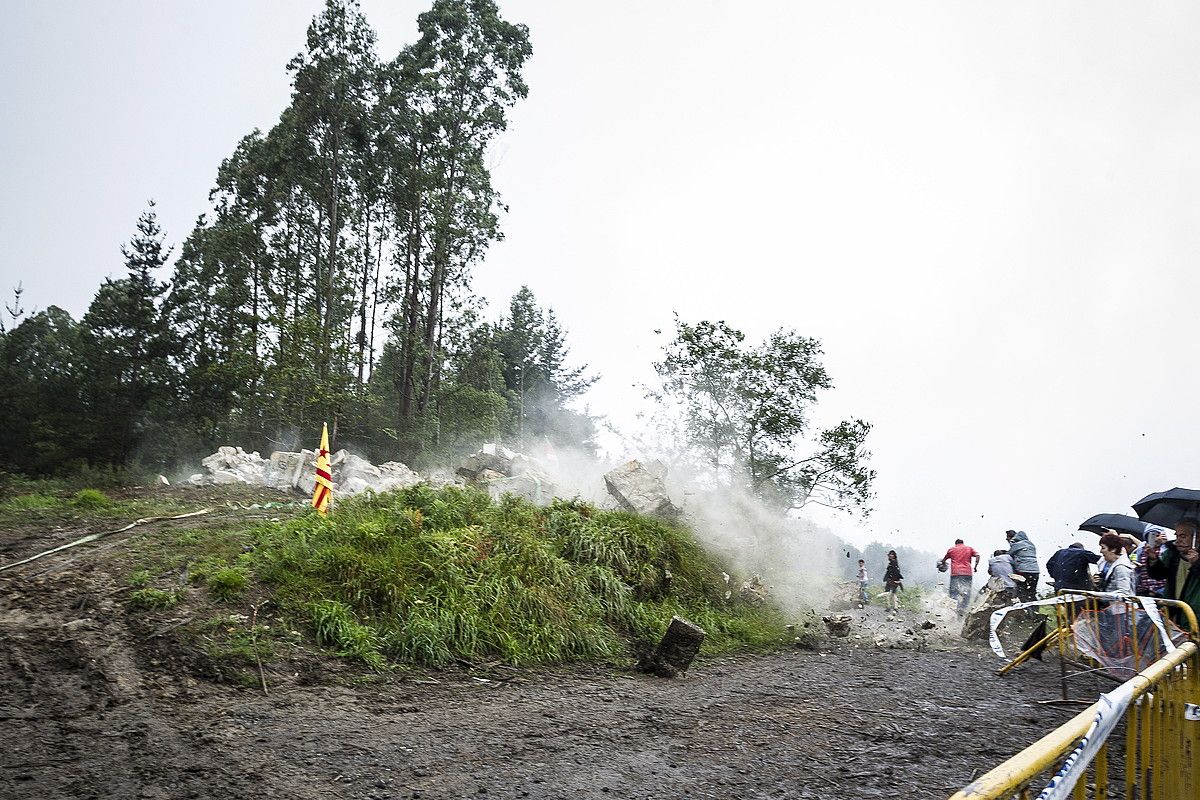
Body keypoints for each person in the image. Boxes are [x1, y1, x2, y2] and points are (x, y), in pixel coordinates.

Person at [1145, 519, 1200, 623]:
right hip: (1173, 614)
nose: (1178, 541)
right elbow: (1158, 575)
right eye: (1177, 536)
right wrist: (1153, 560)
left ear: (1197, 538)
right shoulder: (1172, 553)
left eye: (1183, 536)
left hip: (1194, 616)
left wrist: (1197, 563)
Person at [941, 538, 980, 616]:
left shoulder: (951, 550)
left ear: (956, 544)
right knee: (967, 592)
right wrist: (975, 566)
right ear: (963, 543)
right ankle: (962, 609)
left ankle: (953, 611)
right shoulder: (969, 548)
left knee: (953, 593)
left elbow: (943, 560)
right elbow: (977, 555)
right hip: (967, 574)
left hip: (955, 574)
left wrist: (943, 564)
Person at [1132, 527, 1169, 598]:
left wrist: (1167, 543)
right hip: (1144, 590)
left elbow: (1165, 569)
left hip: (1161, 590)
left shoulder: (1166, 550)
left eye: (1158, 535)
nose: (1156, 538)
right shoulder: (1141, 549)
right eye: (1153, 535)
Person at [1005, 529, 1040, 601]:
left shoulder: (1017, 545)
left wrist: (1011, 542)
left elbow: (1008, 555)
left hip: (1023, 571)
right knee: (1032, 592)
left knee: (1022, 592)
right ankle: (1034, 610)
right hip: (1035, 571)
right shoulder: (1031, 545)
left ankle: (1026, 610)